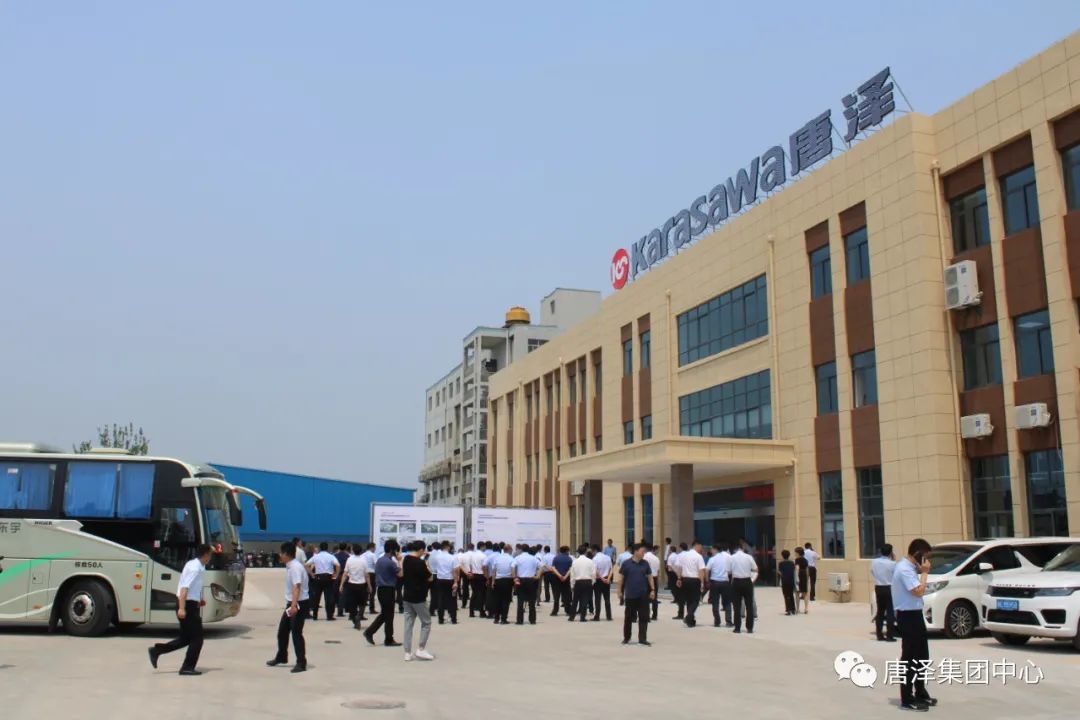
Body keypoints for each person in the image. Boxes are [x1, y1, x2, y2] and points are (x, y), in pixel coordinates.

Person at [148, 543, 212, 675]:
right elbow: (184, 588)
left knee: (186, 638)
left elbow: (193, 586)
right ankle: (187, 667)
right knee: (197, 639)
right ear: (205, 555)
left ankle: (157, 651)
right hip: (187, 605)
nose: (210, 558)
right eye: (210, 555)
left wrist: (199, 599)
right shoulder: (195, 568)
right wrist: (182, 608)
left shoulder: (196, 565)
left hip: (191, 603)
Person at [892, 538, 937, 712]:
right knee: (910, 658)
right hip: (907, 617)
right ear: (917, 554)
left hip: (915, 615)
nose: (926, 561)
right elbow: (918, 591)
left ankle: (920, 692)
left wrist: (921, 571)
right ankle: (907, 698)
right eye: (925, 557)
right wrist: (925, 573)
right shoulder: (904, 569)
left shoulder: (910, 568)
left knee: (922, 656)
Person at [267, 541, 310, 673]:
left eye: (281, 553)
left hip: (298, 604)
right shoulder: (290, 566)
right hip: (292, 603)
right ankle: (282, 656)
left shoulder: (295, 567)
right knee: (282, 631)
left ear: (286, 554)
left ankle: (301, 663)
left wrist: (293, 606)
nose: (280, 555)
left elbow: (297, 587)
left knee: (296, 633)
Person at [401, 541, 436, 662]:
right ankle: (421, 648)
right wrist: (426, 564)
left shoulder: (406, 559)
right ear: (421, 550)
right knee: (426, 622)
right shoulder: (420, 563)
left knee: (408, 624)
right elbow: (430, 577)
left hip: (407, 596)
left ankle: (407, 652)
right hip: (419, 597)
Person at [364, 541, 403, 647]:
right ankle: (385, 638)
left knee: (386, 614)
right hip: (388, 589)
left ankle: (375, 634)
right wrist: (399, 561)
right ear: (392, 550)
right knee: (388, 615)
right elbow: (400, 574)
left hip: (381, 589)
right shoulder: (390, 562)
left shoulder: (380, 560)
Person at [619, 543, 655, 646]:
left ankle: (642, 639)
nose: (644, 553)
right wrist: (619, 591)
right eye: (642, 551)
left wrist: (652, 590)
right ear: (635, 551)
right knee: (628, 617)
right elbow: (621, 578)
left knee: (644, 617)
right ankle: (627, 637)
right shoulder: (626, 563)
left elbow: (650, 577)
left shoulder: (645, 563)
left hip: (643, 595)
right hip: (630, 595)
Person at [306, 542, 341, 621]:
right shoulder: (331, 556)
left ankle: (315, 615)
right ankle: (329, 616)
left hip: (318, 578)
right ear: (327, 548)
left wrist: (311, 574)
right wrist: (336, 574)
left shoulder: (316, 556)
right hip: (328, 578)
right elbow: (338, 565)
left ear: (320, 548)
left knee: (316, 597)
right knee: (329, 597)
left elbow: (306, 565)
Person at [730, 541, 758, 634]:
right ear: (742, 548)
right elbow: (755, 569)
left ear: (735, 549)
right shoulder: (749, 557)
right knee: (749, 605)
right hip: (747, 581)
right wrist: (752, 579)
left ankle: (737, 628)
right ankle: (749, 628)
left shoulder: (732, 557)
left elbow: (728, 571)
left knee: (736, 606)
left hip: (736, 581)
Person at [339, 544, 369, 629]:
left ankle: (355, 619)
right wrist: (369, 585)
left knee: (352, 604)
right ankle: (359, 615)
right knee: (362, 603)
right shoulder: (364, 560)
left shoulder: (349, 559)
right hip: (362, 584)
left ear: (353, 551)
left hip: (351, 585)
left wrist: (341, 584)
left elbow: (345, 573)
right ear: (361, 551)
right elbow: (366, 575)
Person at [872, 544, 898, 642]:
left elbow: (872, 572)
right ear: (891, 552)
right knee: (890, 611)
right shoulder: (893, 563)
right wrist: (893, 559)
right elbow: (896, 575)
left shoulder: (874, 561)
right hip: (889, 587)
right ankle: (889, 635)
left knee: (880, 611)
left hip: (879, 587)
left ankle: (879, 635)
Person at [511, 544, 542, 625]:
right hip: (531, 580)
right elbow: (541, 566)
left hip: (521, 580)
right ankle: (532, 620)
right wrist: (538, 576)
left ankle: (519, 620)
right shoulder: (533, 558)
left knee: (520, 601)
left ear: (521, 549)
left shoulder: (518, 558)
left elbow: (512, 567)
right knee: (532, 601)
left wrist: (514, 578)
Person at [677, 541, 706, 628]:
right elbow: (701, 570)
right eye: (701, 547)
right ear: (696, 546)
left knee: (689, 600)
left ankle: (690, 621)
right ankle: (689, 615)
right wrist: (702, 582)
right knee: (695, 600)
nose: (701, 549)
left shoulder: (684, 555)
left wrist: (679, 578)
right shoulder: (698, 556)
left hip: (685, 580)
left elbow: (679, 567)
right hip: (694, 580)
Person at [430, 541, 459, 625]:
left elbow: (430, 566)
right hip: (450, 580)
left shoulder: (436, 557)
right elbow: (455, 570)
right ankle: (453, 619)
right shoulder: (452, 557)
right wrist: (456, 582)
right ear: (448, 547)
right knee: (452, 599)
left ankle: (440, 619)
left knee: (440, 599)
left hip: (440, 579)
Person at [706, 543, 733, 627]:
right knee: (727, 602)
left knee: (715, 602)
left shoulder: (712, 559)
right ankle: (728, 621)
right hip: (725, 582)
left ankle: (717, 621)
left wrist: (707, 581)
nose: (711, 550)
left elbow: (707, 570)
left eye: (712, 549)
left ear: (715, 549)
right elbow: (731, 570)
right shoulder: (727, 558)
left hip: (715, 582)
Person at [569, 545, 596, 622]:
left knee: (575, 600)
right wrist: (592, 582)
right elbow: (593, 574)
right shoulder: (590, 561)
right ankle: (582, 617)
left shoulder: (575, 562)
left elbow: (572, 574)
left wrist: (572, 585)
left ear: (578, 552)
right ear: (586, 552)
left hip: (578, 582)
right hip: (587, 581)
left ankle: (572, 617)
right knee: (585, 600)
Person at [491, 543, 515, 624]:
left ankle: (496, 618)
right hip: (507, 581)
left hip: (498, 580)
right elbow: (513, 570)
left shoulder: (497, 558)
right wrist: (515, 579)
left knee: (497, 600)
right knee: (506, 601)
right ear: (509, 550)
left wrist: (493, 581)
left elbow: (494, 571)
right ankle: (503, 619)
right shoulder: (511, 559)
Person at [464, 543, 487, 618]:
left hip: (473, 575)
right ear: (482, 547)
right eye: (484, 547)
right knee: (481, 594)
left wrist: (471, 572)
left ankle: (471, 612)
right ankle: (481, 612)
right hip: (481, 575)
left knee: (474, 593)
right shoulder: (483, 556)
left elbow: (470, 565)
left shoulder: (473, 555)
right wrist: (486, 576)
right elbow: (484, 567)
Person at [549, 546, 573, 616]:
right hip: (566, 579)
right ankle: (568, 610)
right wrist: (565, 577)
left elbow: (553, 568)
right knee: (566, 595)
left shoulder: (556, 558)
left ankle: (555, 611)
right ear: (566, 551)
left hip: (556, 578)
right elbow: (570, 569)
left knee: (556, 595)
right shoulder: (569, 558)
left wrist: (559, 575)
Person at [591, 543, 613, 621]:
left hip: (598, 580)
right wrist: (608, 579)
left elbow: (595, 571)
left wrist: (602, 578)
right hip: (607, 579)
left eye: (592, 551)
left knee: (597, 599)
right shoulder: (608, 557)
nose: (592, 553)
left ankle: (597, 616)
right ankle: (609, 616)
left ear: (594, 550)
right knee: (607, 599)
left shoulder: (595, 559)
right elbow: (611, 569)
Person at [668, 543, 686, 619]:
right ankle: (690, 614)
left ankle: (681, 614)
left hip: (679, 575)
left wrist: (678, 576)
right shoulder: (691, 555)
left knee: (678, 592)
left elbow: (676, 566)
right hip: (691, 578)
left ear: (680, 548)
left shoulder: (679, 556)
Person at [644, 544, 661, 620]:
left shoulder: (645, 556)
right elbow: (658, 571)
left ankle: (646, 615)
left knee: (645, 597)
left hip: (646, 578)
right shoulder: (656, 559)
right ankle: (655, 615)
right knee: (654, 597)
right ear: (654, 549)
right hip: (654, 578)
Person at [333, 543, 351, 617]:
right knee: (344, 593)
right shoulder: (348, 556)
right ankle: (342, 610)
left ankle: (336, 607)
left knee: (335, 592)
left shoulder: (334, 555)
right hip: (344, 575)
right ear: (346, 548)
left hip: (336, 575)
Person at [777, 550, 796, 616]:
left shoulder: (781, 563)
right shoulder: (792, 563)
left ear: (782, 555)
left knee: (786, 595)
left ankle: (788, 610)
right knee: (791, 595)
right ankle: (793, 609)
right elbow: (794, 570)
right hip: (791, 580)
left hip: (784, 581)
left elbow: (779, 571)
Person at [361, 543, 378, 617]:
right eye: (374, 548)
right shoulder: (372, 555)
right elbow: (376, 564)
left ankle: (362, 609)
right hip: (371, 574)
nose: (375, 549)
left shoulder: (362, 555)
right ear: (372, 547)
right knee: (372, 591)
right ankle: (372, 608)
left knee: (364, 592)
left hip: (364, 574)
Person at [794, 547, 809, 615]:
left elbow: (797, 568)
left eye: (795, 552)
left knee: (797, 593)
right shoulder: (805, 560)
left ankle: (797, 609)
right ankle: (806, 608)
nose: (795, 554)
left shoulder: (797, 560)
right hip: (804, 576)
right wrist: (807, 578)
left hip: (799, 575)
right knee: (805, 593)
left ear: (798, 553)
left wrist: (797, 577)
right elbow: (807, 569)